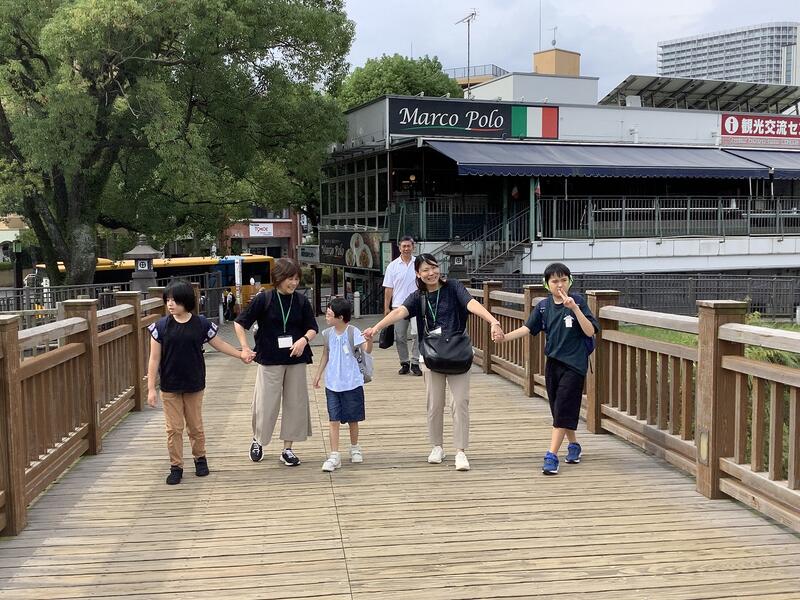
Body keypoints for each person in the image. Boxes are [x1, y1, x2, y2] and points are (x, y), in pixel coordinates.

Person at [364, 254, 504, 471]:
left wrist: (493, 321)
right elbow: (399, 311)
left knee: (460, 402)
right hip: (431, 355)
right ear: (418, 274)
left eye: (433, 268)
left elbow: (472, 304)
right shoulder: (417, 296)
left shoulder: (454, 287)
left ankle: (460, 451)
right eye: (425, 270)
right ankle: (437, 446)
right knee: (434, 403)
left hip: (457, 353)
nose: (431, 273)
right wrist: (376, 328)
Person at [496, 262, 600, 475]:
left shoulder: (578, 302)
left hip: (575, 364)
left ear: (570, 281)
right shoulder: (544, 306)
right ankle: (574, 445)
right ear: (547, 284)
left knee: (562, 407)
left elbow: (590, 331)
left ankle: (551, 455)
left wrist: (575, 309)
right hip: (553, 362)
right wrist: (504, 337)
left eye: (563, 280)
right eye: (554, 281)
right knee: (558, 408)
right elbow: (527, 328)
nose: (559, 285)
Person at [147, 279, 251, 485]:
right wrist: (151, 388)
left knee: (195, 426)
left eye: (175, 300)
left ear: (186, 300)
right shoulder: (160, 327)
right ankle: (176, 466)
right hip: (170, 385)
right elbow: (154, 358)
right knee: (173, 428)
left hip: (194, 382)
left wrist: (240, 354)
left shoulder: (201, 324)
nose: (170, 304)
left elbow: (219, 344)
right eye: (167, 300)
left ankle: (200, 458)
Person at [234, 258, 318, 466]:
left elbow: (312, 328)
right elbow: (240, 323)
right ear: (279, 278)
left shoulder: (301, 301)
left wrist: (303, 340)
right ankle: (258, 440)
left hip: (296, 359)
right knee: (265, 403)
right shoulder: (264, 299)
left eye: (297, 279)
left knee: (295, 403)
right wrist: (245, 347)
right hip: (270, 358)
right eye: (290, 278)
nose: (294, 283)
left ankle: (288, 449)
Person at [312, 297, 373, 472]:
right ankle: (334, 454)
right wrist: (318, 374)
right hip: (332, 383)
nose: (326, 317)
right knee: (333, 419)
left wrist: (369, 340)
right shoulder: (327, 334)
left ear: (340, 317)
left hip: (352, 382)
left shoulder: (353, 332)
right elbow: (326, 354)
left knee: (353, 418)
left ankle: (355, 447)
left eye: (329, 314)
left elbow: (367, 350)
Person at [382, 236, 421, 376]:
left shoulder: (419, 263)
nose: (406, 249)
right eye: (403, 246)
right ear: (399, 248)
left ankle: (415, 362)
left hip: (417, 304)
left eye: (408, 246)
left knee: (417, 333)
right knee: (400, 336)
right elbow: (388, 288)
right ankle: (404, 362)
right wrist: (386, 308)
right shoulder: (392, 266)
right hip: (398, 306)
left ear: (413, 247)